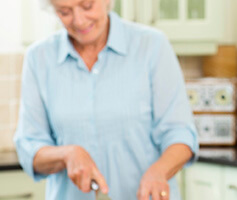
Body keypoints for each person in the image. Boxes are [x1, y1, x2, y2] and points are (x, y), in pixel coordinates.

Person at [13, 0, 198, 199]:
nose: (79, 20)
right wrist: (67, 154)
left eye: (87, 6)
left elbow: (180, 134)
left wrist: (159, 172)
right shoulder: (39, 58)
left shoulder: (151, 46)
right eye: (65, 11)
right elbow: (29, 147)